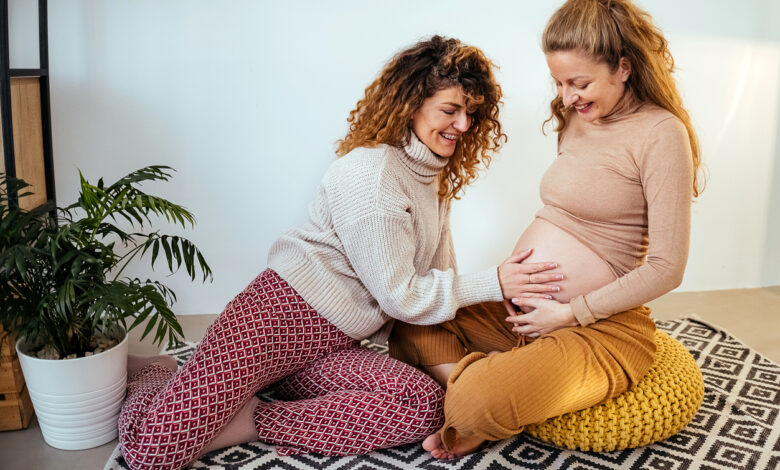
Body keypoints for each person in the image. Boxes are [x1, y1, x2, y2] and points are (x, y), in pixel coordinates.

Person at [117, 35, 563, 470]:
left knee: (423, 405)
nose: (462, 125)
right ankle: (156, 374)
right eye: (450, 110)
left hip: (338, 341)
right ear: (411, 104)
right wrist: (497, 280)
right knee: (150, 454)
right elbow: (401, 297)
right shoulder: (371, 174)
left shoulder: (432, 178)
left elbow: (439, 276)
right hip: (276, 321)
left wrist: (479, 346)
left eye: (470, 113)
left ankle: (255, 418)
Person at [388, 0, 705, 459]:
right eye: (559, 82)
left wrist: (569, 312)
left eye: (580, 82)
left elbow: (667, 268)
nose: (567, 96)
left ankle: (480, 394)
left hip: (598, 328)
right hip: (519, 316)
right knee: (411, 320)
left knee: (474, 401)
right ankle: (493, 382)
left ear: (623, 67)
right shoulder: (576, 118)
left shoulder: (660, 134)